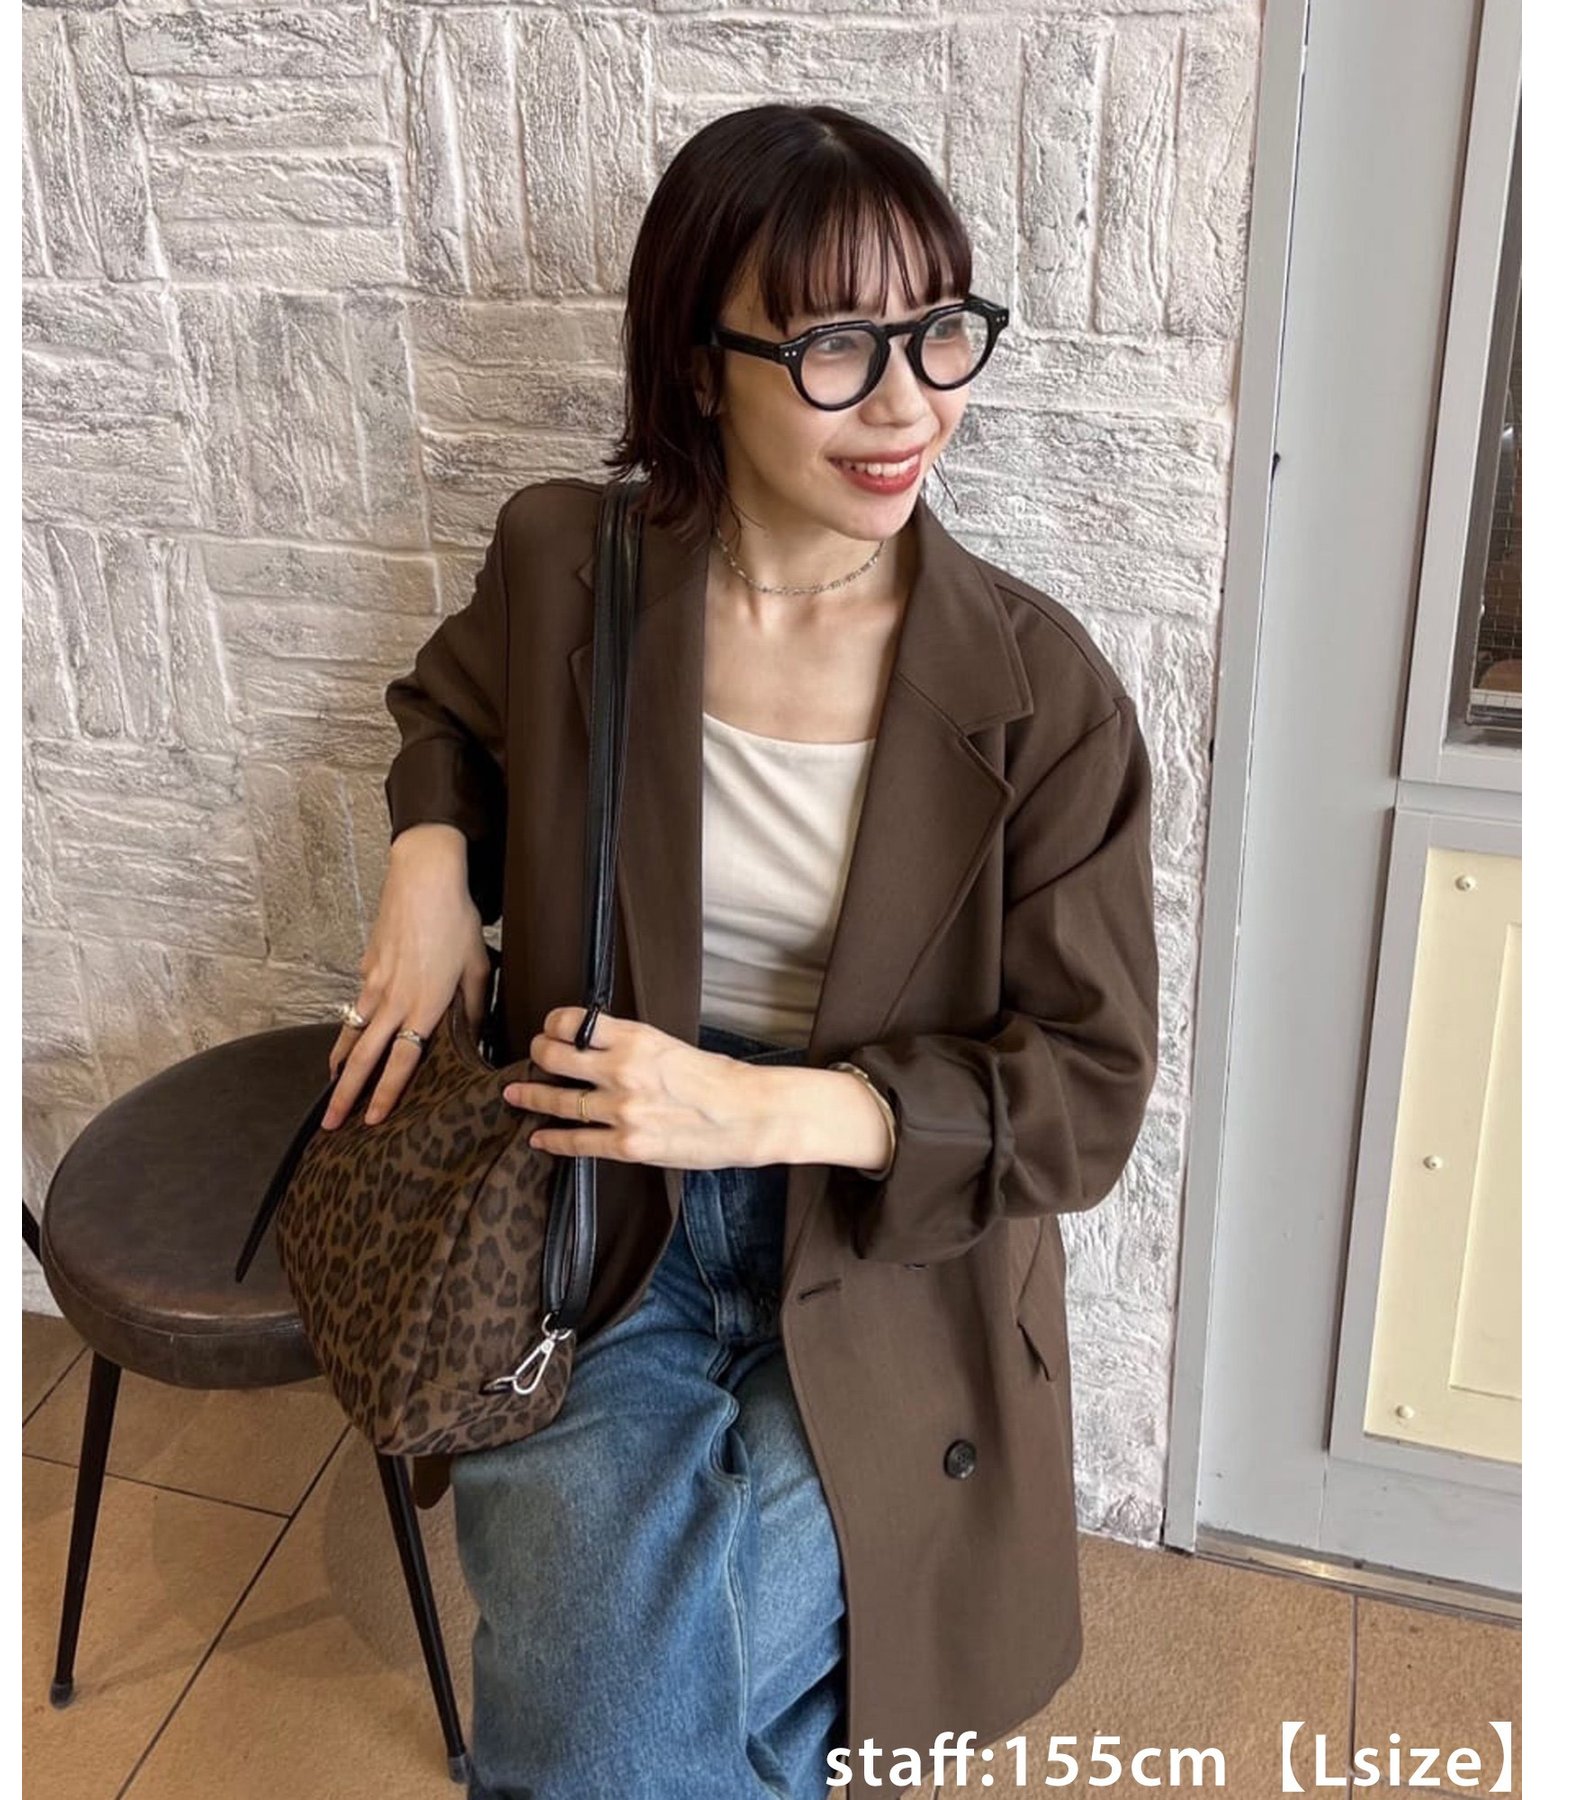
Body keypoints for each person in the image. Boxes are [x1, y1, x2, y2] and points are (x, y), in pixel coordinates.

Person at [319, 103, 1159, 1800]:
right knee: (668, 1714)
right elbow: (448, 713)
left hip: (890, 1249)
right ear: (701, 367)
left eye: (937, 331)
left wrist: (765, 1111)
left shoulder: (1040, 696)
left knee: (604, 1726)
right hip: (589, 1213)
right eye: (838, 346)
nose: (911, 404)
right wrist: (427, 857)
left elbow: (1085, 1093)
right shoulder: (572, 569)